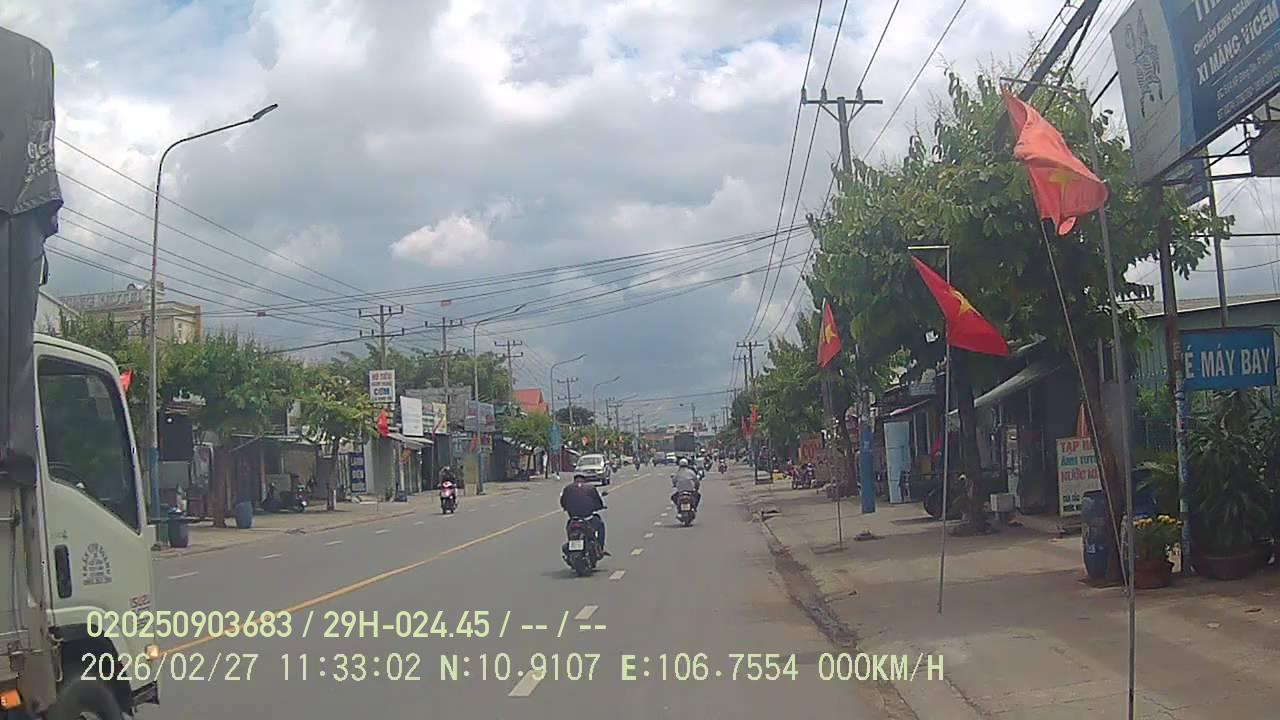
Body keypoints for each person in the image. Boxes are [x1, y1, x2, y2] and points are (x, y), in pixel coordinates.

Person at [560, 475, 607, 554]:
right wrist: (600, 507)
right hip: (587, 518)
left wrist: (566, 507)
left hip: (574, 519)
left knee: (569, 527)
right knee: (600, 525)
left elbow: (563, 502)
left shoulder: (568, 488)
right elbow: (598, 501)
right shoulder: (590, 488)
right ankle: (600, 548)